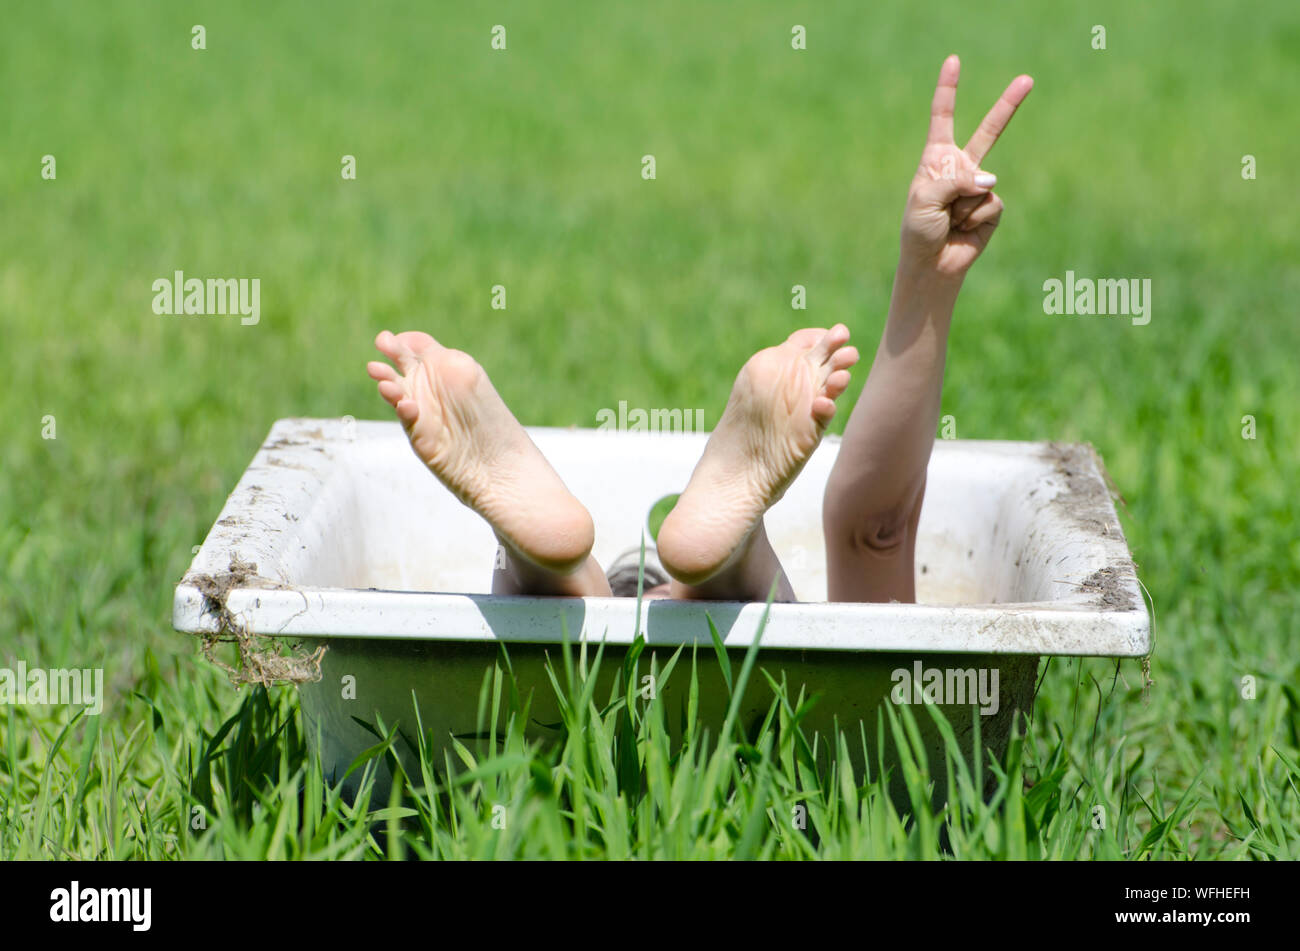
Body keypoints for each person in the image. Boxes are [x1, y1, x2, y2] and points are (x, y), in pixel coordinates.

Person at [366, 55, 1031, 605]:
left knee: (578, 608)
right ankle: (733, 558)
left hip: (567, 682)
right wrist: (928, 281)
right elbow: (875, 530)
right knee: (863, 549)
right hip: (794, 704)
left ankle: (541, 566)